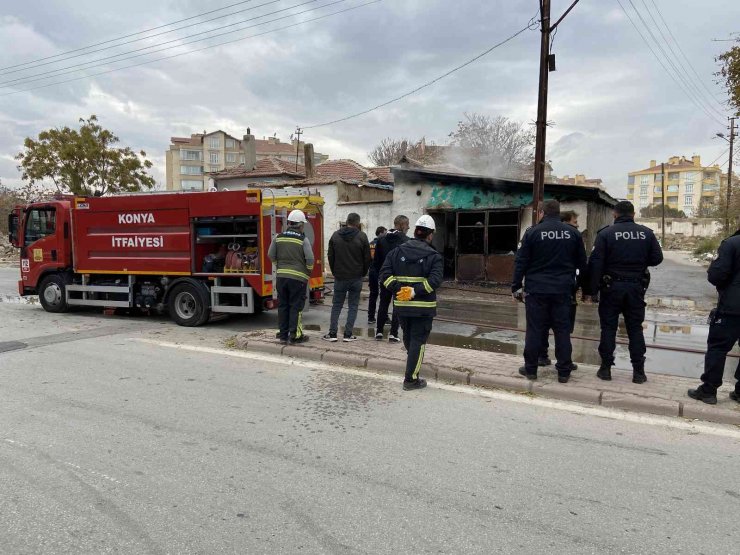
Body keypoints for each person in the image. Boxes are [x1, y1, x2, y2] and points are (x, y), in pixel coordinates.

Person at [588, 200, 663, 384]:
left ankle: (605, 369)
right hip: (636, 288)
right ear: (633, 214)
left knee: (608, 328)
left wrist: (592, 291)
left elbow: (596, 264)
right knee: (635, 329)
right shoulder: (646, 234)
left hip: (611, 287)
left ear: (615, 214)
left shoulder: (606, 234)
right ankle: (639, 372)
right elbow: (657, 258)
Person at [512, 199, 587, 383]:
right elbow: (582, 264)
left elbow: (521, 262)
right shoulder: (573, 233)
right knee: (562, 331)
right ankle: (563, 372)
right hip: (563, 290)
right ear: (558, 213)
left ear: (542, 213)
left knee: (535, 330)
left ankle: (531, 370)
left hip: (536, 290)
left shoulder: (532, 233)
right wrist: (579, 287)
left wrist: (516, 286)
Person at [379, 215, 443, 391]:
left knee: (409, 339)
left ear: (415, 231)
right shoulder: (434, 255)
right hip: (423, 309)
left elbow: (383, 275)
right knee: (418, 341)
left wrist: (398, 289)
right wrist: (415, 291)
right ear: (430, 235)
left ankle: (412, 362)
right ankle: (411, 379)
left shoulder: (397, 252)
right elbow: (436, 280)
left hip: (402, 308)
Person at [688, 230, 740, 405]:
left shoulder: (732, 243)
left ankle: (709, 390)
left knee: (718, 348)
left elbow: (717, 275)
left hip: (732, 308)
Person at [538, 210, 583, 365]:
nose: (577, 225)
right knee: (563, 328)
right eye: (575, 222)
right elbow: (582, 264)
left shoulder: (539, 233)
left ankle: (542, 357)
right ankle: (564, 363)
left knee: (542, 325)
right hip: (565, 289)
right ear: (565, 222)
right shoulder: (573, 237)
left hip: (542, 288)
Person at [267, 210, 314, 345]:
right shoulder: (302, 240)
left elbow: (271, 255)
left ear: (289, 223)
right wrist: (307, 273)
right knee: (296, 307)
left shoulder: (278, 237)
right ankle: (295, 335)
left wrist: (279, 266)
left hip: (281, 278)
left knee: (283, 306)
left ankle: (283, 336)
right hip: (298, 279)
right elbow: (310, 259)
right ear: (300, 225)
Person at [324, 213, 371, 342]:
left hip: (340, 277)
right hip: (356, 277)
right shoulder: (362, 236)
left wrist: (335, 271)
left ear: (346, 221)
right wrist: (363, 272)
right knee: (353, 306)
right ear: (357, 223)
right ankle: (348, 334)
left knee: (337, 305)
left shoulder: (335, 236)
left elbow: (330, 256)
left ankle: (332, 334)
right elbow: (367, 258)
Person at [373, 215, 410, 342]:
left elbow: (376, 261)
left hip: (384, 277)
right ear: (402, 225)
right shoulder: (406, 241)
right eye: (407, 224)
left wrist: (380, 275)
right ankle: (393, 333)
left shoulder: (381, 239)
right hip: (400, 278)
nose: (409, 227)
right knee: (397, 305)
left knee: (383, 303)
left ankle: (378, 331)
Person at [367, 226, 387, 325]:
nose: (386, 235)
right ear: (380, 233)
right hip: (381, 271)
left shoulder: (370, 244)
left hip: (372, 271)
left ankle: (371, 317)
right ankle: (385, 317)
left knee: (373, 294)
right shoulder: (383, 244)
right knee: (384, 295)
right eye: (385, 233)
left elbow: (367, 258)